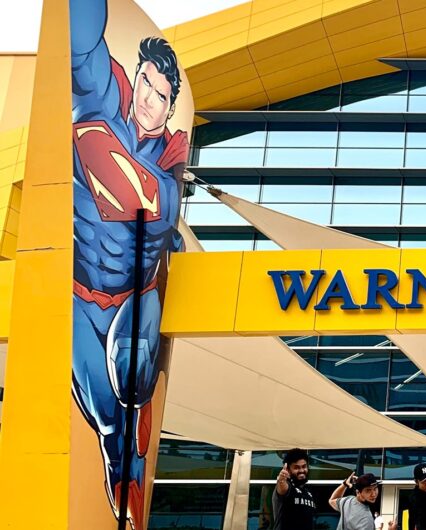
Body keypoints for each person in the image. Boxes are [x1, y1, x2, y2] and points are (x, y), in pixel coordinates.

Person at [70, 0, 190, 524]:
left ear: (169, 108)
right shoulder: (102, 99)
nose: (149, 99)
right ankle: (122, 471)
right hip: (75, 293)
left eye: (162, 96)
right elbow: (82, 46)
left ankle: (128, 466)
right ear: (134, 78)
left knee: (133, 375)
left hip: (130, 298)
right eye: (145, 83)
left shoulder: (168, 168)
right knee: (106, 417)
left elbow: (153, 213)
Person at [273, 448, 317, 530]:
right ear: (288, 470)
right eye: (296, 467)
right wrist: (281, 480)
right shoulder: (289, 487)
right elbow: (282, 488)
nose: (301, 470)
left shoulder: (308, 493)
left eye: (304, 466)